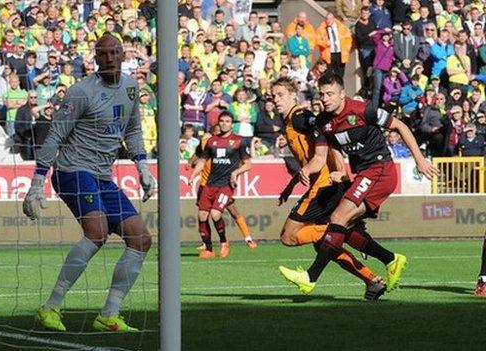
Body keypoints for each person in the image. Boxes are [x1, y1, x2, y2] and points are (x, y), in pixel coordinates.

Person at [23, 34, 156, 332]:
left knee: (141, 239)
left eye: (114, 53)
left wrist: (143, 167)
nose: (109, 58)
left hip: (102, 176)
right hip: (72, 170)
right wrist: (37, 183)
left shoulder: (132, 89)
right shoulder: (81, 92)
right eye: (103, 54)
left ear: (124, 55)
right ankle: (50, 308)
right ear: (95, 58)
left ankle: (109, 314)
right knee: (96, 232)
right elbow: (54, 135)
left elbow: (132, 130)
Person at [278, 73, 438, 294]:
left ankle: (310, 277)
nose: (325, 98)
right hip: (364, 174)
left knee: (338, 219)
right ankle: (390, 260)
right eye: (322, 94)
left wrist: (419, 159)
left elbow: (399, 126)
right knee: (343, 225)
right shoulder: (325, 122)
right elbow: (319, 158)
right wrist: (305, 171)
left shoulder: (363, 110)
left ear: (342, 94)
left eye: (330, 93)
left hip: (380, 170)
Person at [272, 77, 386, 300]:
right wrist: (290, 186)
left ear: (294, 96)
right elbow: (308, 157)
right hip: (323, 184)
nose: (276, 100)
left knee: (288, 236)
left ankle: (344, 233)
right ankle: (372, 280)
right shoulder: (290, 122)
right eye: (273, 96)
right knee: (324, 246)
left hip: (325, 185)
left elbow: (328, 133)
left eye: (280, 95)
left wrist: (342, 171)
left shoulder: (300, 117)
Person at [187, 111, 252, 258]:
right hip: (210, 183)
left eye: (227, 121)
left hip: (226, 185)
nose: (224, 124)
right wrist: (193, 175)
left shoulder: (239, 141)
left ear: (232, 124)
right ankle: (209, 249)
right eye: (222, 121)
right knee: (202, 215)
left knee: (215, 214)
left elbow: (248, 164)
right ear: (218, 122)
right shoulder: (212, 141)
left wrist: (235, 173)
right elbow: (203, 161)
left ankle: (224, 241)